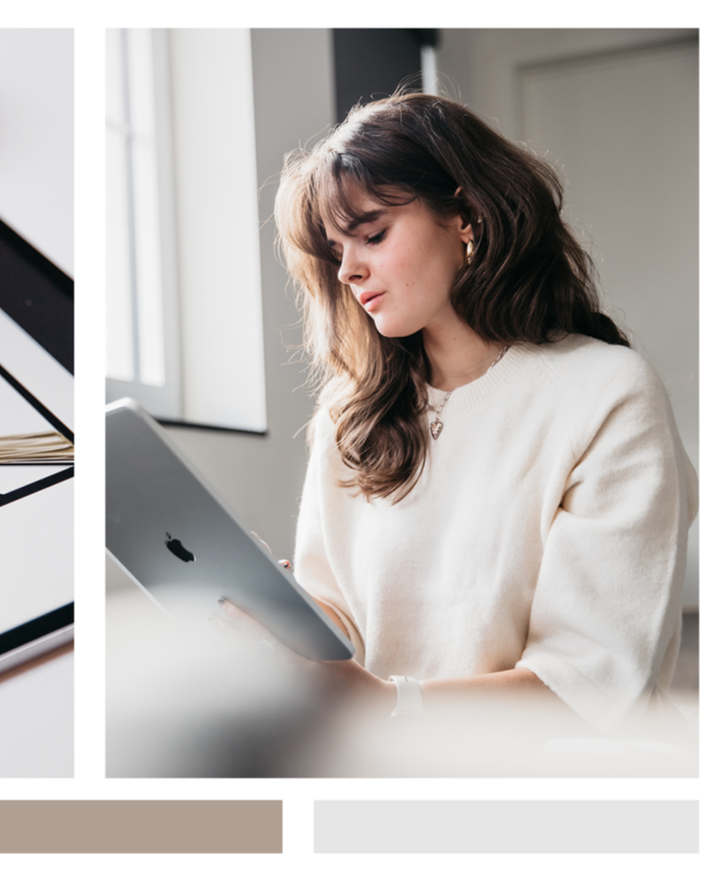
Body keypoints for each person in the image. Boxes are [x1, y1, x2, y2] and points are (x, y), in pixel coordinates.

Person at [228, 93, 697, 743]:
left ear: (466, 216)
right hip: (373, 769)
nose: (349, 270)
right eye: (337, 250)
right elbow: (342, 622)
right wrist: (282, 625)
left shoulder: (608, 394)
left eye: (372, 235)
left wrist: (389, 705)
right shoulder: (350, 412)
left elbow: (593, 685)